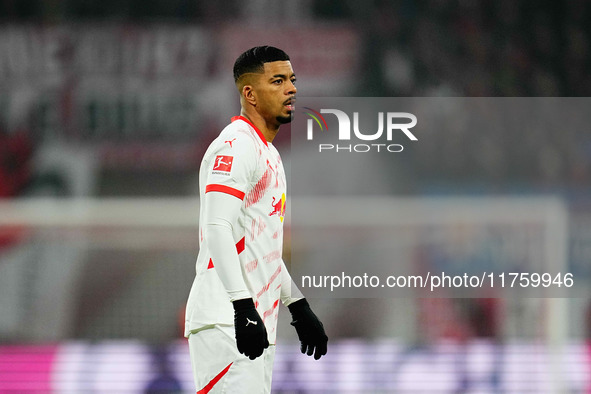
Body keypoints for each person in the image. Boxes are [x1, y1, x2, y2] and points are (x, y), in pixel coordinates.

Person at [184, 46, 328, 393]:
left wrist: (297, 305)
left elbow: (262, 248)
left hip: (253, 318)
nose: (291, 89)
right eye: (277, 81)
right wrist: (242, 305)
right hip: (227, 318)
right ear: (249, 93)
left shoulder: (269, 154)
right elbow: (217, 228)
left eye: (292, 80)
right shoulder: (235, 146)